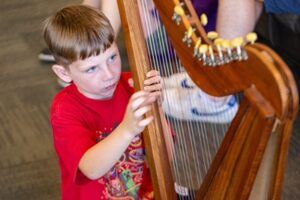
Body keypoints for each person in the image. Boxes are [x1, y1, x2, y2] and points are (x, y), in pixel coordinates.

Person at [43, 5, 163, 199]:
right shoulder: (64, 110)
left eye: (113, 57)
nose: (109, 75)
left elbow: (166, 156)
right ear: (64, 73)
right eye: (92, 69)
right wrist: (127, 129)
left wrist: (157, 108)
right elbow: (90, 168)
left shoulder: (131, 85)